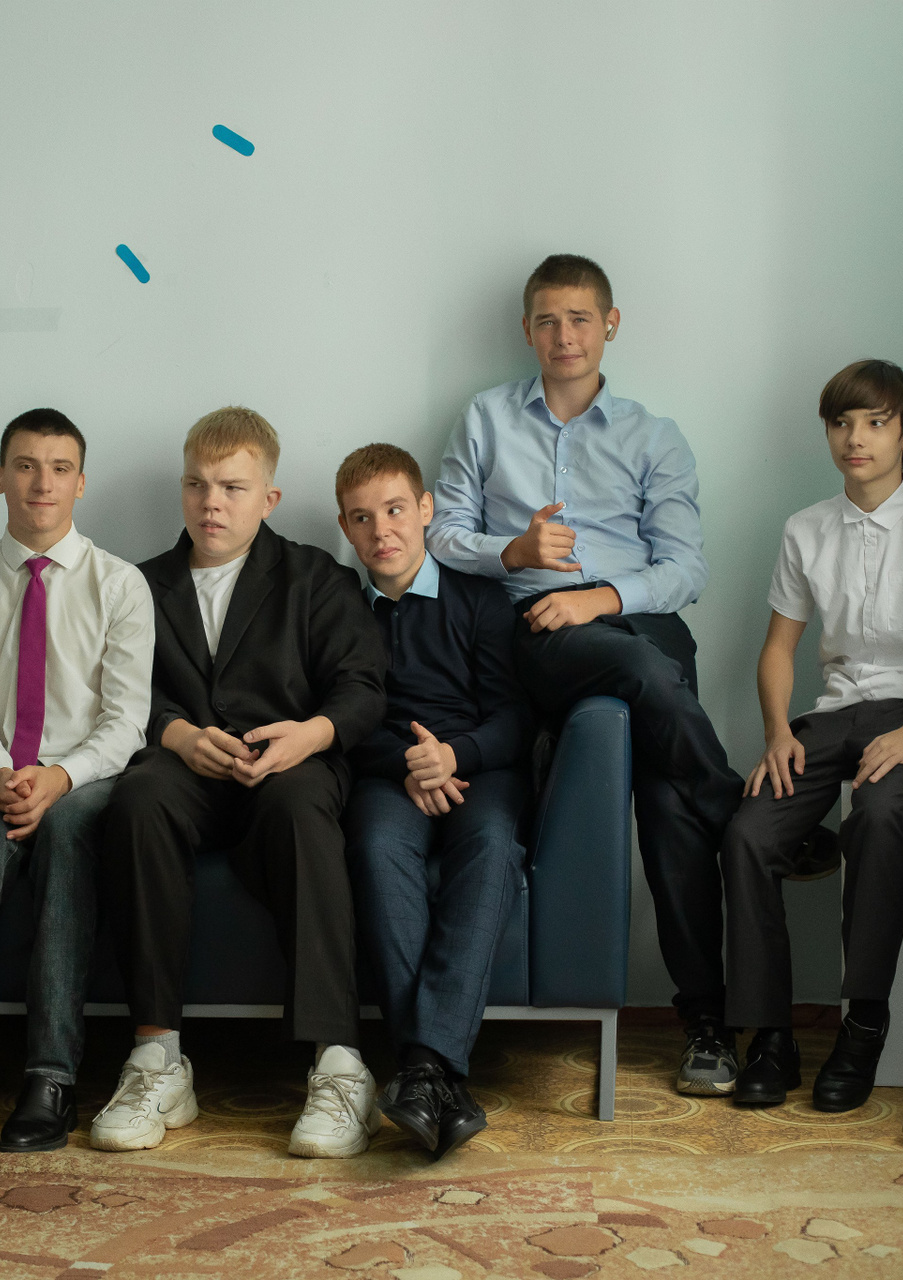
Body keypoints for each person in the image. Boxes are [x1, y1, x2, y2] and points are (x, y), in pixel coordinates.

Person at [427, 254, 744, 1096]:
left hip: (634, 615)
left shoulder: (653, 435)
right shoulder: (486, 418)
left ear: (610, 323)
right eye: (547, 320)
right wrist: (515, 551)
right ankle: (735, 808)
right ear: (527, 329)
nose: (563, 335)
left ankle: (706, 1024)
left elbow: (686, 569)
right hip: (536, 626)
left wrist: (600, 597)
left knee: (669, 807)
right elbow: (442, 532)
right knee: (640, 665)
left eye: (579, 318)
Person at [92, 407, 386, 1159]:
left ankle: (339, 1064)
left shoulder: (315, 576)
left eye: (232, 487)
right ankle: (157, 1058)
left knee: (302, 805)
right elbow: (116, 693)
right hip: (186, 767)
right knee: (138, 797)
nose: (211, 503)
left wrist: (310, 735)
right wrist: (177, 735)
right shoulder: (138, 584)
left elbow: (361, 687)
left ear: (269, 499)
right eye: (197, 485)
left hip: (289, 767)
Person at [722, 361, 903, 1112]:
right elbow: (779, 648)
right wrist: (778, 731)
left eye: (875, 422)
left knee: (876, 812)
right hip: (835, 715)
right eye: (841, 423)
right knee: (747, 833)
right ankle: (770, 1036)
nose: (855, 438)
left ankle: (864, 1024)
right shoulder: (805, 528)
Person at [0, 409, 155, 1153]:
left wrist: (60, 777)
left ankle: (51, 1078)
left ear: (81, 483)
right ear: (1, 483)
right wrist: (4, 773)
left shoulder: (120, 585)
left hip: (84, 777)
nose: (43, 482)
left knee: (71, 834)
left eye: (59, 468)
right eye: (26, 466)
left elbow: (127, 720)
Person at [334, 443, 531, 1158]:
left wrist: (454, 756)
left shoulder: (480, 600)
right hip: (390, 772)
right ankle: (436, 1074)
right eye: (361, 518)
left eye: (394, 510)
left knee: (491, 846)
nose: (380, 530)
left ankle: (423, 1068)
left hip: (480, 765)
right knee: (374, 847)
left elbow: (515, 717)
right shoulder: (341, 611)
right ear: (345, 527)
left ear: (425, 510)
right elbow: (343, 719)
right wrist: (410, 763)